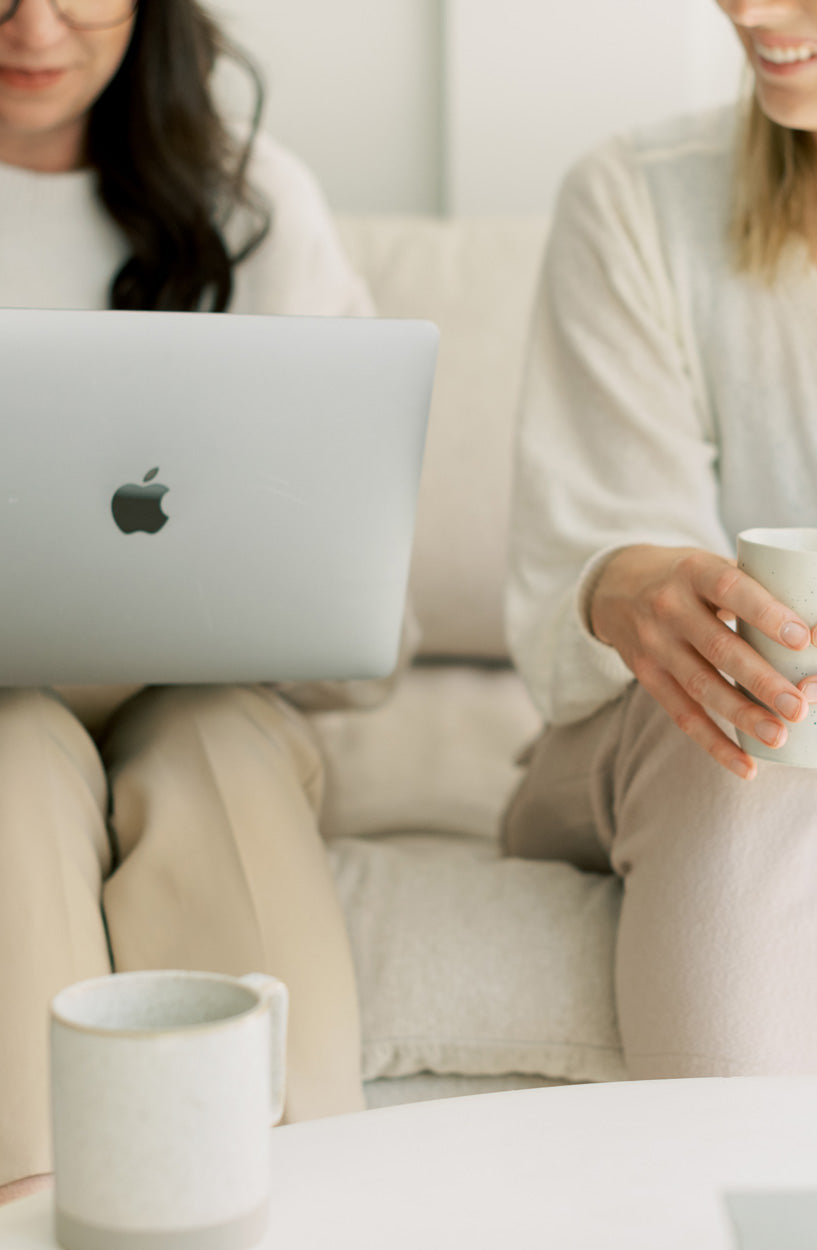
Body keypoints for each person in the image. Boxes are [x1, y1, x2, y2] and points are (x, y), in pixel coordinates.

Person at [503, 0, 817, 1085]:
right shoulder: (636, 199)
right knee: (750, 736)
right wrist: (619, 584)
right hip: (660, 740)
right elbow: (585, 553)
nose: (748, 9)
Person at [0, 0, 394, 1200]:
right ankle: (31, 1202)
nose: (34, 25)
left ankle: (295, 1191)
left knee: (212, 741)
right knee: (12, 755)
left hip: (221, 688)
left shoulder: (255, 203)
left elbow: (367, 622)